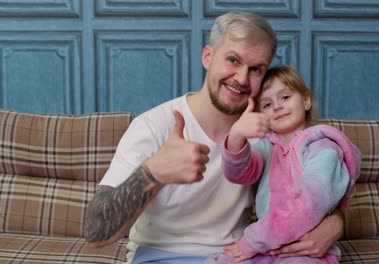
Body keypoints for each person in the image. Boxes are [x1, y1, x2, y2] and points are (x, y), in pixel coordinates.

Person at [84, 11, 345, 264]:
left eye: (256, 69)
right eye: (233, 60)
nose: (241, 78)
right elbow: (96, 234)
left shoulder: (267, 131)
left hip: (237, 256)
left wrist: (337, 224)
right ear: (208, 57)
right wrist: (153, 173)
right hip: (160, 255)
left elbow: (314, 187)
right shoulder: (153, 126)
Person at [206, 65, 361, 264]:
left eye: (285, 97)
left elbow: (309, 201)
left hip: (305, 248)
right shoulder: (265, 147)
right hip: (266, 248)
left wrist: (252, 241)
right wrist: (236, 136)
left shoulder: (324, 148)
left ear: (306, 100)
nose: (277, 106)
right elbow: (239, 173)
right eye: (267, 104)